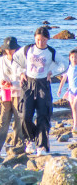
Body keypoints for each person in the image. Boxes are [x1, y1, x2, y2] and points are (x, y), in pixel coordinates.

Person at [13, 26, 63, 156]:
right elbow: (15, 60)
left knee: (43, 115)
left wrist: (52, 72)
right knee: (25, 115)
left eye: (43, 40)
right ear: (35, 38)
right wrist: (21, 73)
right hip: (28, 83)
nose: (40, 42)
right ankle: (30, 141)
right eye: (38, 40)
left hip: (43, 84)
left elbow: (64, 64)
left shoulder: (51, 52)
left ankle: (42, 145)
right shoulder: (27, 49)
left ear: (47, 39)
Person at [0, 36, 23, 152]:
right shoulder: (1, 60)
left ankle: (19, 146)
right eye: (7, 49)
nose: (9, 51)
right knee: (2, 119)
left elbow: (23, 78)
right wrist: (2, 82)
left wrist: (13, 83)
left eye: (11, 49)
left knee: (19, 120)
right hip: (5, 93)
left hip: (18, 92)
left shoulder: (21, 60)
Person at [57, 49, 77, 134]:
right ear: (69, 58)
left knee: (74, 106)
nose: (74, 59)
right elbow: (64, 79)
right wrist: (59, 89)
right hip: (71, 91)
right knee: (73, 108)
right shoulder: (68, 68)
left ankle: (75, 125)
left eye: (76, 57)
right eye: (72, 57)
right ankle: (75, 124)